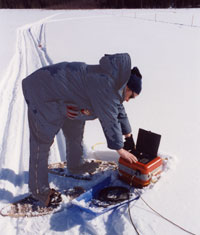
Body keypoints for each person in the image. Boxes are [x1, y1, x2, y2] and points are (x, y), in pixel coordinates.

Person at [22, 53, 142, 207]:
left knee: (75, 129)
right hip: (41, 91)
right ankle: (39, 192)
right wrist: (120, 149)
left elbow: (118, 109)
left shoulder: (114, 83)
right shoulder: (105, 85)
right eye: (130, 96)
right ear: (126, 86)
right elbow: (110, 120)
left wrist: (128, 135)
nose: (127, 100)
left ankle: (76, 165)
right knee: (41, 142)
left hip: (69, 98)